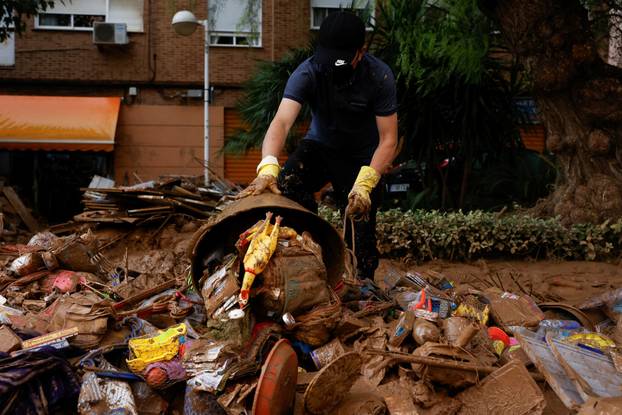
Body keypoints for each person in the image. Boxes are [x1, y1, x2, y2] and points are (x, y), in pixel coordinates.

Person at [237, 11, 398, 280]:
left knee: (360, 226)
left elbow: (389, 139)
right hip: (320, 147)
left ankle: (362, 284)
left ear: (361, 51)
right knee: (287, 183)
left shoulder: (379, 77)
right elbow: (281, 122)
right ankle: (314, 247)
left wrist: (366, 183)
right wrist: (267, 166)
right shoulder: (309, 71)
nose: (333, 68)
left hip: (362, 159)